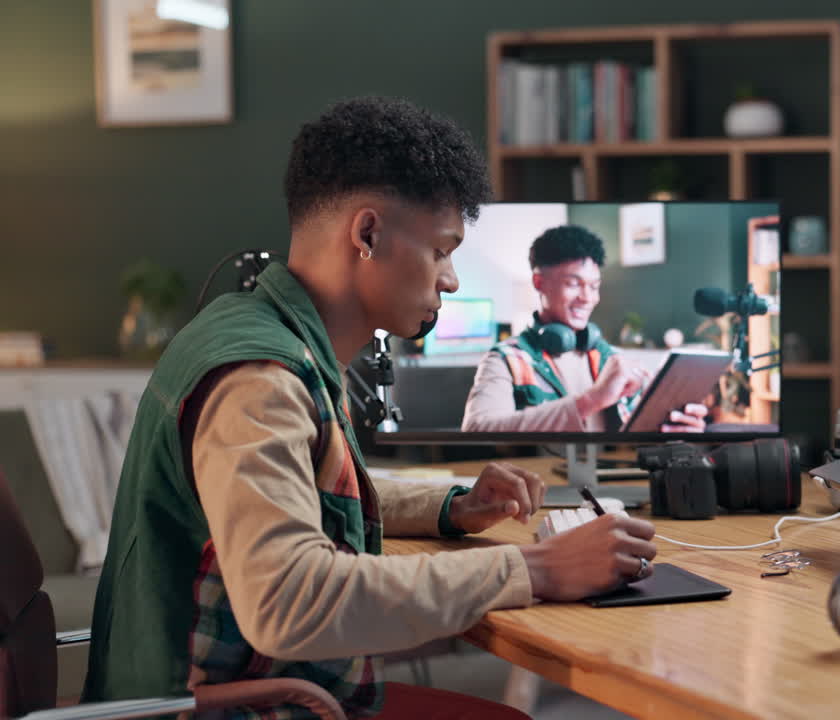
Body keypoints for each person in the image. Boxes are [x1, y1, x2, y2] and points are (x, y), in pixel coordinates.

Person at [82, 97, 658, 719]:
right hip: (234, 707)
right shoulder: (261, 380)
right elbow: (289, 601)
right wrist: (535, 568)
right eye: (441, 249)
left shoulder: (255, 327)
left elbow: (299, 486)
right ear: (367, 233)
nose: (452, 279)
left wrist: (454, 506)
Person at [461, 225, 708, 433]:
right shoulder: (506, 359)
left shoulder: (611, 358)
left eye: (594, 286)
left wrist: (674, 427)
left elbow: (638, 437)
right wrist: (590, 401)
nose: (587, 298)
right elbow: (476, 430)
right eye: (573, 284)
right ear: (539, 282)